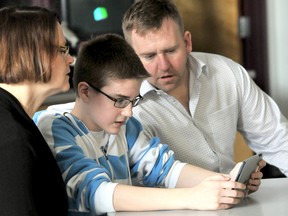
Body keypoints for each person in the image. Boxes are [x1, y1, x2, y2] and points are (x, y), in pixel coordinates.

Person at [33, 34, 263, 215]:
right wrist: (192, 197)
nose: (129, 111)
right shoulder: (54, 127)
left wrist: (226, 184)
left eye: (133, 100)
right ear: (85, 91)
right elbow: (95, 193)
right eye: (120, 100)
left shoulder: (125, 126)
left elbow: (165, 170)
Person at [122, 0, 288, 177]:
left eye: (171, 51)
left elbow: (277, 140)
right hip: (171, 202)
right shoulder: (128, 108)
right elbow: (150, 178)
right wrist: (225, 185)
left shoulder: (227, 73)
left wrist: (234, 186)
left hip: (233, 196)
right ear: (132, 57)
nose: (163, 65)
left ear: (187, 42)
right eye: (149, 56)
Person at [0, 6, 74, 216]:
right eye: (63, 50)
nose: (71, 59)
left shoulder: (14, 118)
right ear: (34, 54)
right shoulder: (11, 138)